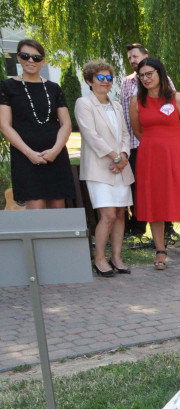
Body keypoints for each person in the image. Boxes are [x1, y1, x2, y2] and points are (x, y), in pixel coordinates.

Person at [129, 57, 180, 270]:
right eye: (141, 75)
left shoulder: (176, 98)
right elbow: (138, 130)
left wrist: (174, 148)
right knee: (155, 203)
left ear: (160, 73)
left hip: (176, 155)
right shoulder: (136, 101)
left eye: (149, 73)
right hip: (150, 157)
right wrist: (155, 146)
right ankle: (160, 251)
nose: (145, 78)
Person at [75, 59, 134, 277]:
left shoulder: (116, 105)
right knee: (107, 214)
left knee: (120, 213)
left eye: (109, 78)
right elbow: (91, 135)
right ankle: (99, 259)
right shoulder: (84, 104)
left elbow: (126, 134)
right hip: (100, 168)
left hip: (120, 166)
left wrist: (124, 156)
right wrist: (115, 157)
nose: (106, 82)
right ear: (90, 80)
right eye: (100, 78)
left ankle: (116, 257)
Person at [0, 39, 75, 209]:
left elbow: (66, 124)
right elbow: (5, 125)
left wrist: (55, 151)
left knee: (58, 207)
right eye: (25, 56)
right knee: (36, 206)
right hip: (25, 155)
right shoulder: (7, 86)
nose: (30, 61)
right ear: (18, 58)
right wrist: (30, 154)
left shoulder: (54, 88)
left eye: (36, 57)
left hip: (54, 154)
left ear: (43, 61)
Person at [120, 42, 175, 240]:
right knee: (140, 187)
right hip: (136, 145)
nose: (133, 61)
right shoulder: (126, 82)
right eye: (130, 58)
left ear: (145, 55)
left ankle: (168, 225)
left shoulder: (164, 80)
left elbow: (172, 109)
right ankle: (138, 226)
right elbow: (124, 113)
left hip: (159, 145)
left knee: (164, 185)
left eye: (135, 56)